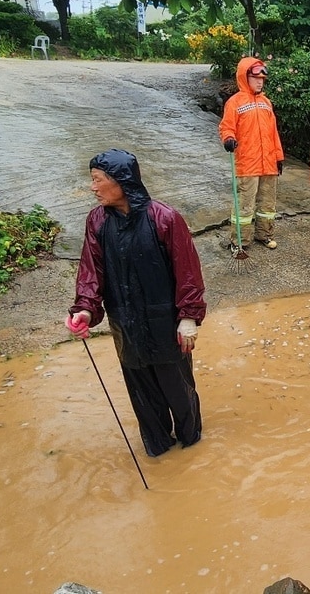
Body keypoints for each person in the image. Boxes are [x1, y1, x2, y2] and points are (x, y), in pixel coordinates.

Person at [67, 149, 207, 458]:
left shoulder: (165, 219)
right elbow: (92, 270)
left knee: (179, 392)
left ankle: (192, 445)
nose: (93, 187)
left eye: (97, 180)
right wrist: (85, 309)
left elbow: (188, 272)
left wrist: (189, 318)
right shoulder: (97, 221)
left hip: (167, 325)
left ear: (121, 181)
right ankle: (159, 451)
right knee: (143, 397)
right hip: (125, 325)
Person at [218, 56, 285, 252]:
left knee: (267, 204)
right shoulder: (235, 102)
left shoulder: (266, 103)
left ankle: (264, 235)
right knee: (244, 207)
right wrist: (228, 139)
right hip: (247, 164)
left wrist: (279, 157)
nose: (259, 82)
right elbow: (226, 127)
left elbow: (274, 133)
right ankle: (240, 241)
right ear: (244, 77)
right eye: (256, 78)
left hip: (269, 163)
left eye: (262, 79)